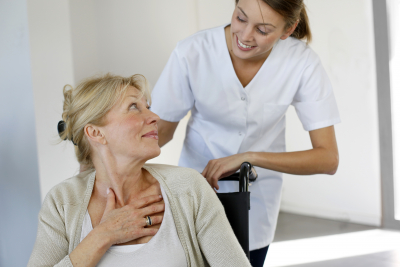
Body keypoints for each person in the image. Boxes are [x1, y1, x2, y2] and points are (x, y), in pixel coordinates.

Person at [150, 0, 340, 266]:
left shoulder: (302, 62)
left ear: (288, 30)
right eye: (240, 18)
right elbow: (159, 133)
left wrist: (248, 157)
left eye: (263, 30)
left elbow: (328, 159)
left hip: (258, 196)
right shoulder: (192, 52)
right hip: (198, 187)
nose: (245, 36)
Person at [28, 74, 251, 267]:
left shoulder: (189, 188)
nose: (154, 118)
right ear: (96, 133)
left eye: (148, 107)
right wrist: (103, 235)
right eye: (134, 107)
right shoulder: (62, 201)